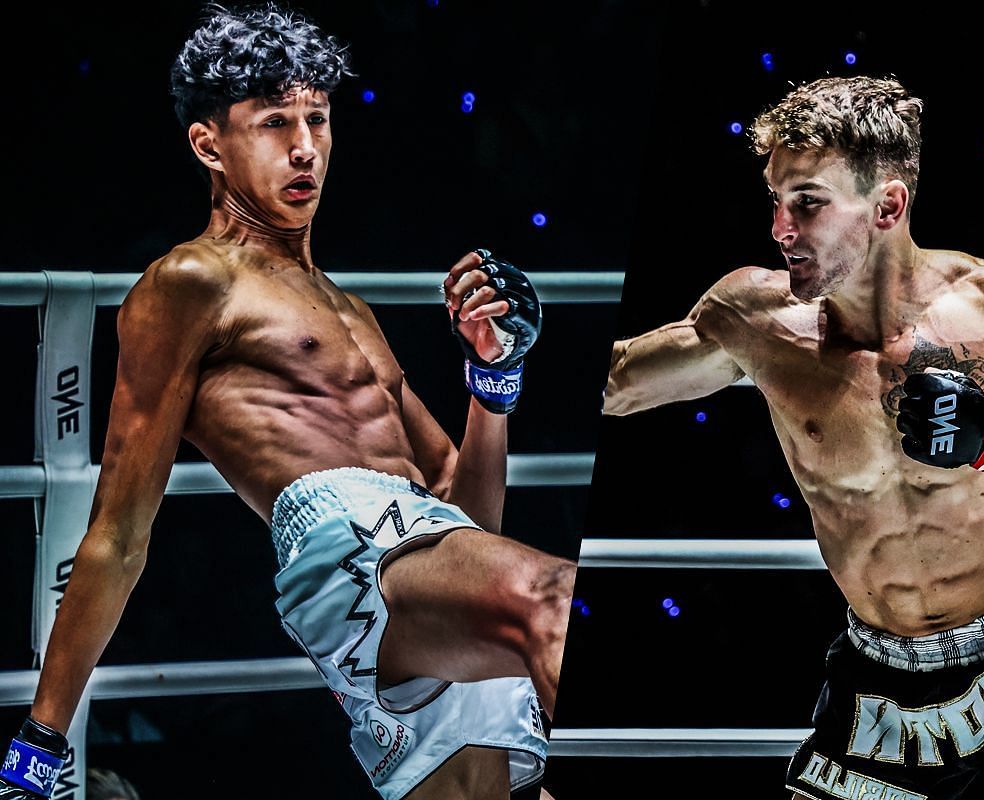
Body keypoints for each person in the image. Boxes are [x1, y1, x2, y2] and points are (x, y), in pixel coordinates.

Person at [1, 5, 573, 799]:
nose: (305, 146)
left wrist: (494, 383)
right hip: (346, 547)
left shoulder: (351, 311)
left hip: (424, 556)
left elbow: (470, 517)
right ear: (210, 145)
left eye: (317, 118)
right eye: (274, 123)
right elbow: (120, 527)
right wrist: (44, 732)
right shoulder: (192, 282)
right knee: (554, 599)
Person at [605, 75, 984, 799]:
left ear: (887, 206)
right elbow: (618, 384)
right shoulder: (756, 320)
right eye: (777, 202)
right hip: (879, 687)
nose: (781, 229)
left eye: (807, 202)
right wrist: (514, 345)